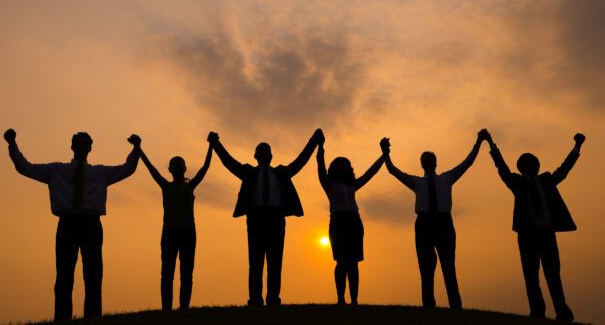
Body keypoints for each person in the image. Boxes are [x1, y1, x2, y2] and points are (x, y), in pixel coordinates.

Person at [4, 128, 140, 321]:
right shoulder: (57, 170)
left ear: (90, 148)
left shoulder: (100, 173)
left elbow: (128, 168)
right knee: (64, 277)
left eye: (85, 143)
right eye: (79, 143)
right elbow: (25, 167)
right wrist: (12, 144)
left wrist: (136, 149)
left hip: (91, 225)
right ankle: (62, 318)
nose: (82, 146)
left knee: (93, 276)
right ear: (72, 146)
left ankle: (92, 318)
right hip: (68, 224)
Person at [207, 129, 323, 306]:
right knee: (255, 262)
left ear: (271, 155)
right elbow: (229, 162)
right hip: (256, 218)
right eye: (260, 151)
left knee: (275, 262)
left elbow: (300, 161)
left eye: (266, 151)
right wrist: (216, 144)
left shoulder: (281, 172)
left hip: (276, 218)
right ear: (255, 156)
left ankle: (273, 298)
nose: (263, 154)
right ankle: (255, 299)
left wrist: (314, 140)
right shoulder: (248, 172)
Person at [380, 130, 487, 309]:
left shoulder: (447, 178)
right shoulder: (416, 182)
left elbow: (468, 162)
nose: (429, 163)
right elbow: (392, 170)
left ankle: (455, 306)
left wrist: (478, 142)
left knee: (448, 266)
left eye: (431, 161)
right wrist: (385, 152)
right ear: (421, 164)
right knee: (426, 268)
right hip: (424, 223)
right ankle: (429, 306)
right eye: (425, 161)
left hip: (443, 222)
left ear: (435, 163)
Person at [485, 132, 584, 322]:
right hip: (527, 235)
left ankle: (562, 311)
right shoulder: (517, 182)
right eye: (528, 163)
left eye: (535, 162)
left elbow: (564, 169)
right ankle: (537, 311)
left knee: (553, 275)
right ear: (521, 168)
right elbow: (502, 168)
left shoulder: (546, 180)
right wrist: (491, 144)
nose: (533, 165)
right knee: (531, 277)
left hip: (547, 234)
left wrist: (577, 147)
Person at [139, 136, 213, 310]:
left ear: (184, 169)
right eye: (175, 165)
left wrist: (211, 146)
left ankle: (184, 309)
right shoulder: (165, 185)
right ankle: (167, 309)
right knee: (167, 273)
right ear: (170, 169)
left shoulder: (190, 186)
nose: (178, 168)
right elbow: (150, 167)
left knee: (186, 273)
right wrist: (139, 148)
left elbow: (205, 168)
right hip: (169, 233)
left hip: (188, 232)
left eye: (180, 166)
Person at [316, 137, 385, 305]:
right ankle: (341, 298)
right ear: (335, 169)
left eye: (346, 166)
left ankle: (354, 300)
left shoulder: (352, 185)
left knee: (353, 263)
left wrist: (383, 155)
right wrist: (321, 147)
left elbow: (371, 173)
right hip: (338, 223)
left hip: (354, 221)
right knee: (341, 262)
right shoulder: (328, 184)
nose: (344, 168)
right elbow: (320, 167)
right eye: (341, 166)